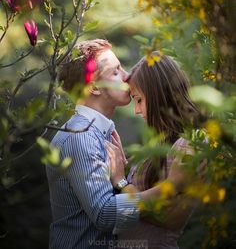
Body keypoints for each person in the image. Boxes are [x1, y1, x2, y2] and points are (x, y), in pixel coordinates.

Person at [46, 41, 187, 249]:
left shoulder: (101, 133)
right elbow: (105, 215)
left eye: (121, 67)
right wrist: (171, 187)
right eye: (115, 72)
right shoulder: (80, 136)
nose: (127, 76)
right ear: (93, 87)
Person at [106, 51, 201, 249]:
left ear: (159, 94)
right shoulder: (160, 143)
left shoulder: (190, 145)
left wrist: (121, 182)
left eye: (139, 100)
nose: (136, 110)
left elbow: (170, 219)